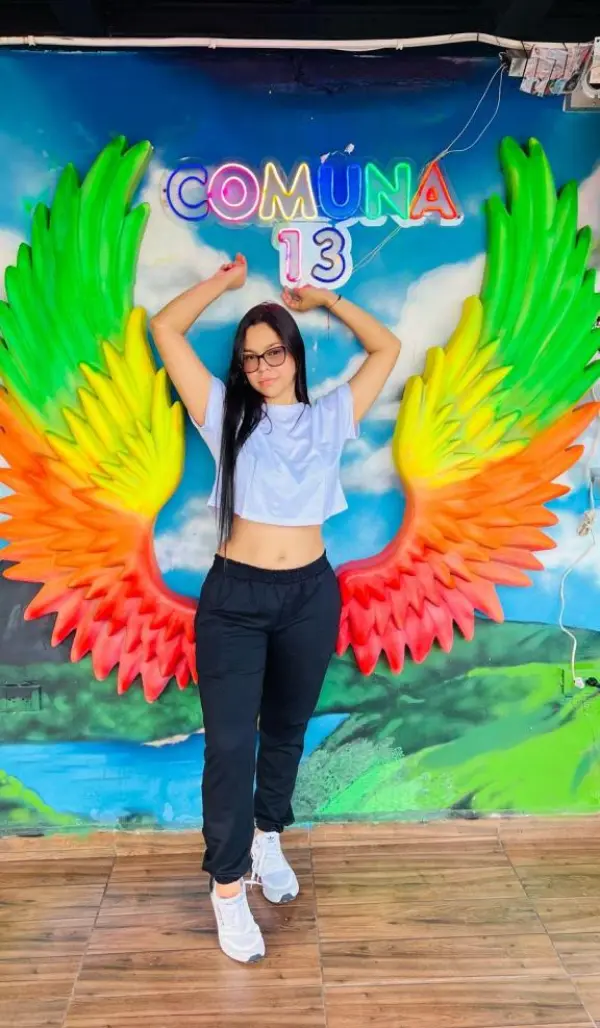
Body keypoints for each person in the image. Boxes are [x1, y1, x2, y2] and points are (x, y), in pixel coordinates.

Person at [151, 253, 400, 963]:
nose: (262, 367)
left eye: (274, 353)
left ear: (294, 355)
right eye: (250, 357)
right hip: (235, 599)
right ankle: (227, 889)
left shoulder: (330, 417)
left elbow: (387, 348)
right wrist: (224, 284)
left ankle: (268, 839)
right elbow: (165, 330)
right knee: (231, 746)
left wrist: (327, 301)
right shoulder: (224, 414)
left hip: (309, 596)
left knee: (287, 729)